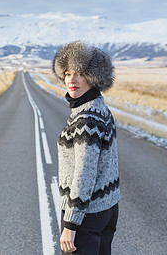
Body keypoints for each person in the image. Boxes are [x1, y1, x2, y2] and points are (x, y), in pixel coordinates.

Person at [52, 41, 121, 254]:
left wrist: (71, 224)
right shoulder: (100, 108)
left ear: (93, 78)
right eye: (68, 73)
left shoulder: (86, 119)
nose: (72, 80)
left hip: (86, 214)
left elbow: (85, 172)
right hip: (106, 207)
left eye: (80, 73)